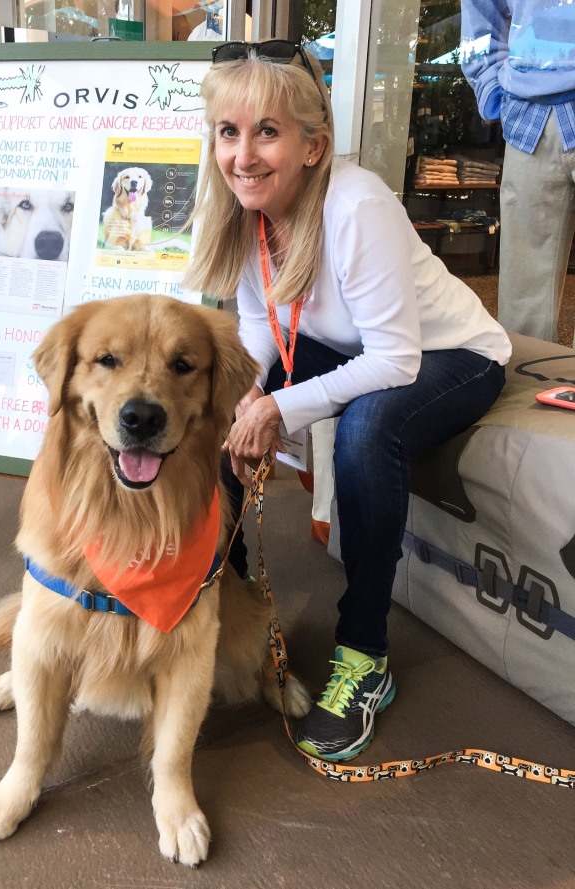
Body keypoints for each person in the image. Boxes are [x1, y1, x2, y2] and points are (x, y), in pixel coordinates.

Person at [182, 40, 512, 763]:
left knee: (366, 431)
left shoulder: (356, 203)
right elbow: (257, 326)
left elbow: (395, 359)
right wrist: (246, 391)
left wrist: (277, 409)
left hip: (453, 354)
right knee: (210, 401)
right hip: (350, 344)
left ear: (313, 145)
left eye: (267, 131)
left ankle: (365, 654)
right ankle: (227, 610)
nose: (243, 154)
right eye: (229, 132)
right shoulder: (244, 207)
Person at [461, 0, 575, 345]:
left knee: (524, 303)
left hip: (531, 108)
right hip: (532, 113)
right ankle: (530, 378)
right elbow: (480, 11)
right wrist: (491, 86)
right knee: (523, 308)